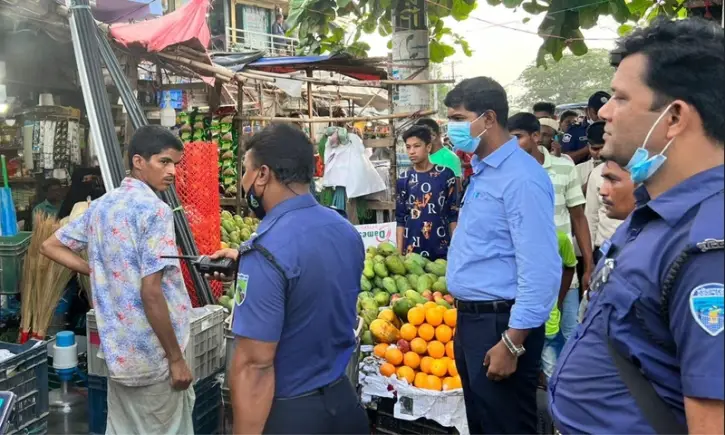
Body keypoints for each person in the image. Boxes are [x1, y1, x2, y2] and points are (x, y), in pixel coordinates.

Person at [549, 18, 724, 434]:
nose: (604, 112)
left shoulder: (707, 246)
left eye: (621, 98)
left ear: (675, 116)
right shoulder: (654, 215)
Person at [208, 124, 369, 434]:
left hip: (291, 414)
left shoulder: (266, 251)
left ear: (263, 174)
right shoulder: (344, 230)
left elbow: (255, 366)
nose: (244, 181)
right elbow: (312, 277)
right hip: (343, 404)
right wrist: (246, 263)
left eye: (246, 170)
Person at [40, 125, 195, 434]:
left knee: (123, 427)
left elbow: (49, 245)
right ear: (139, 161)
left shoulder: (101, 207)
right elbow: (151, 293)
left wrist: (95, 269)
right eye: (164, 162)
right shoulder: (156, 211)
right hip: (155, 353)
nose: (172, 171)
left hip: (120, 352)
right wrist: (176, 359)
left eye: (175, 163)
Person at [444, 77, 561, 434]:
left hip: (501, 325)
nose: (452, 128)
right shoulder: (483, 173)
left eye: (459, 118)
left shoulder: (521, 178)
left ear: (489, 119)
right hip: (473, 320)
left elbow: (540, 268)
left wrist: (513, 341)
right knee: (483, 424)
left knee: (506, 425)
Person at [508, 113, 595, 339]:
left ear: (535, 136)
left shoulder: (564, 168)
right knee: (534, 341)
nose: (513, 145)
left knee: (570, 334)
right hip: (525, 277)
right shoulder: (508, 174)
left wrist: (588, 265)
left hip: (564, 272)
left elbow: (579, 218)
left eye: (517, 137)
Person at [395, 125, 458, 260]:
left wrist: (456, 250)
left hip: (441, 249)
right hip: (411, 253)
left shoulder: (445, 175)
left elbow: (453, 215)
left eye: (416, 146)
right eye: (408, 147)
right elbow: (400, 219)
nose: (411, 151)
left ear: (428, 147)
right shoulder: (403, 179)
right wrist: (399, 255)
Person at [540, 231, 577, 384]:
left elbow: (570, 266)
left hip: (547, 323)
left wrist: (559, 299)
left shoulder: (560, 238)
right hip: (519, 323)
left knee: (551, 372)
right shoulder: (516, 236)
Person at [561, 91, 611, 164]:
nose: (601, 117)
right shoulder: (574, 131)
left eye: (606, 112)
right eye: (596, 112)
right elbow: (565, 159)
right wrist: (588, 149)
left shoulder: (617, 129)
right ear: (587, 111)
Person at [576, 121, 605, 192]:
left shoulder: (623, 168)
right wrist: (588, 186)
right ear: (588, 146)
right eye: (595, 149)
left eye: (604, 148)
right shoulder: (578, 170)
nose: (600, 153)